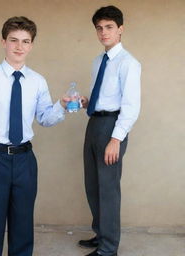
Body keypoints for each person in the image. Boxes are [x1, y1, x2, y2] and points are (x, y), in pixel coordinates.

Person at [0, 16, 68, 256]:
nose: (19, 47)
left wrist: (60, 105)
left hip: (25, 161)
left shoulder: (38, 82)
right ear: (3, 42)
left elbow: (45, 118)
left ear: (31, 45)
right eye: (14, 40)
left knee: (22, 224)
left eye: (25, 41)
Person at [78, 6, 141, 256]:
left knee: (108, 189)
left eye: (109, 27)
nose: (103, 32)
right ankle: (101, 234)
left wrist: (116, 139)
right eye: (99, 28)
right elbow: (102, 97)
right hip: (94, 123)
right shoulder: (98, 61)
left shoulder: (129, 63)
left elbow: (131, 106)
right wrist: (86, 102)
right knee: (92, 185)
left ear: (120, 29)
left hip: (112, 128)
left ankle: (108, 249)